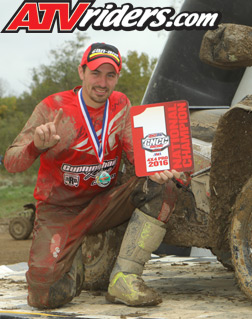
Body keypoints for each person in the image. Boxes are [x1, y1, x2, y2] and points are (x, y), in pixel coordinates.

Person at [3, 42, 185, 309]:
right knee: (44, 297)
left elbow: (136, 153)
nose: (102, 82)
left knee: (163, 186)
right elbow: (11, 162)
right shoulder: (53, 107)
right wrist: (35, 146)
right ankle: (72, 259)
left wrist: (157, 166)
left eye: (110, 75)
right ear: (82, 71)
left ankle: (124, 277)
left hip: (103, 202)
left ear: (117, 77)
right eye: (96, 73)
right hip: (59, 210)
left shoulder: (121, 103)